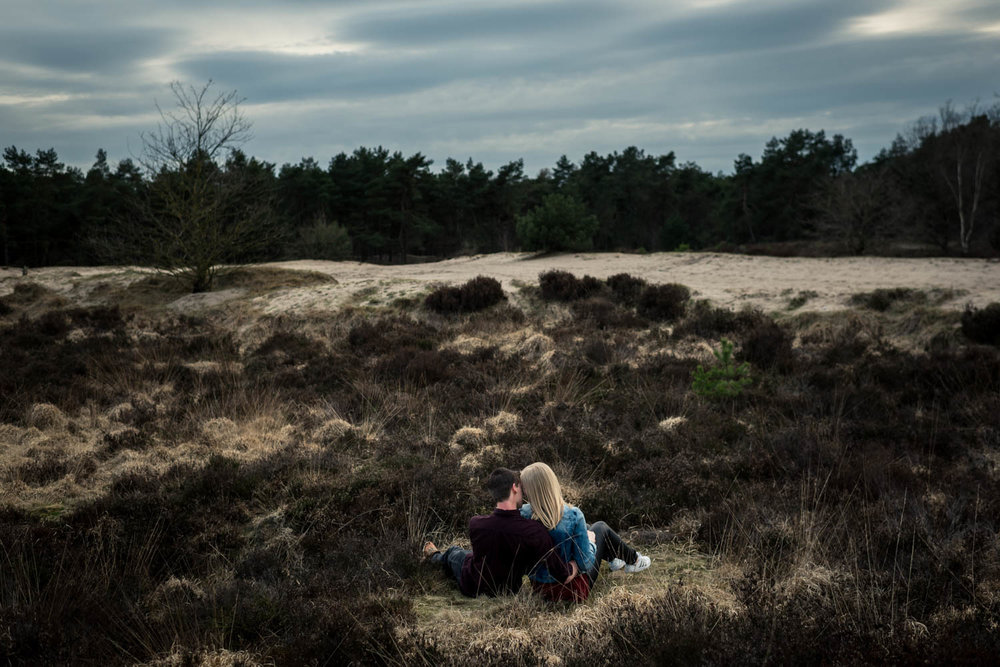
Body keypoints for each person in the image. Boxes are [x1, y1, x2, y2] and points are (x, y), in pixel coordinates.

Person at [423, 467, 578, 597]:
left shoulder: (476, 524)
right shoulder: (534, 532)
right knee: (454, 552)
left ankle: (435, 556)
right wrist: (575, 563)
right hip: (507, 592)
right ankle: (435, 555)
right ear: (514, 488)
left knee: (455, 553)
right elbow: (563, 574)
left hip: (472, 585)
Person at [519, 461, 650, 602]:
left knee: (586, 527)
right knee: (599, 528)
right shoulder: (573, 515)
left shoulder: (522, 515)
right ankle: (634, 560)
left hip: (540, 588)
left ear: (529, 490)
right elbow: (585, 563)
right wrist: (591, 542)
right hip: (573, 590)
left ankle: (614, 559)